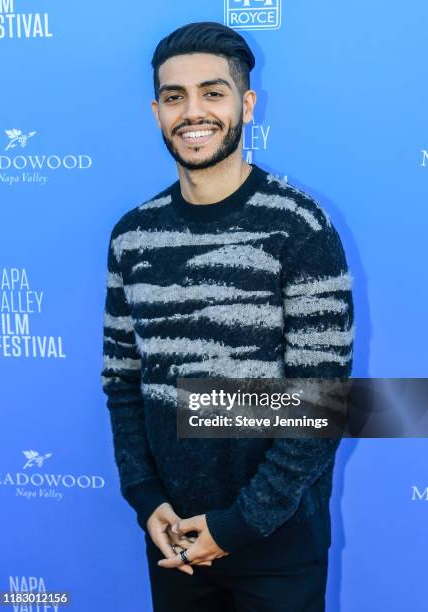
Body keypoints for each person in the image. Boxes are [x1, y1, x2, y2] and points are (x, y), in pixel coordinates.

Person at [100, 21, 355, 612]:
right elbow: (122, 382)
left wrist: (238, 525)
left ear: (246, 103)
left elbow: (322, 401)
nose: (193, 112)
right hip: (174, 539)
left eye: (212, 93)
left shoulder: (298, 226)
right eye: (174, 97)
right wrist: (145, 498)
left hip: (277, 542)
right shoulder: (131, 236)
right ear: (156, 111)